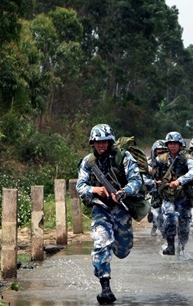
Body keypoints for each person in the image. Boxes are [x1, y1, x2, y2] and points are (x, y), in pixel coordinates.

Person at [76, 124, 143, 305]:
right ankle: (105, 286)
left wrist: (124, 191)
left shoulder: (124, 158)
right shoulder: (88, 162)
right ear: (93, 143)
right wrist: (95, 189)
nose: (101, 145)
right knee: (101, 243)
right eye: (97, 142)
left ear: (110, 141)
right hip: (101, 209)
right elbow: (80, 186)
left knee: (123, 250)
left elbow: (137, 180)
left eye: (104, 142)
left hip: (121, 209)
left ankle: (111, 247)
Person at [156, 131, 193, 255]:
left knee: (184, 224)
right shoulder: (161, 159)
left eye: (175, 144)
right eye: (170, 143)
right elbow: (153, 172)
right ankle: (170, 245)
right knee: (169, 216)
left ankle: (182, 247)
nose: (173, 146)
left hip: (183, 195)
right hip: (168, 195)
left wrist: (179, 181)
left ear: (180, 145)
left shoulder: (186, 158)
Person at [147, 139, 167, 237]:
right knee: (156, 215)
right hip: (153, 192)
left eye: (164, 152)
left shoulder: (170, 162)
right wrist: (153, 182)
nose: (161, 154)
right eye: (159, 152)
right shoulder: (148, 163)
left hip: (167, 191)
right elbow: (141, 178)